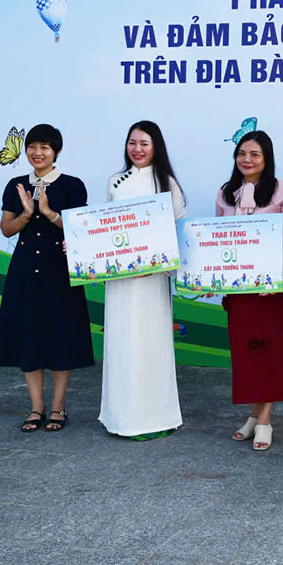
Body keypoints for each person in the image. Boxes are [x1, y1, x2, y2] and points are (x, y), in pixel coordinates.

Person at [0, 124, 93, 432]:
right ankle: (36, 407)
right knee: (29, 336)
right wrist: (25, 214)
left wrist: (49, 212)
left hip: (60, 270)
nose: (37, 153)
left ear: (56, 152)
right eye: (32, 147)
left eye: (45, 148)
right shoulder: (16, 185)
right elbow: (6, 229)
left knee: (61, 338)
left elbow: (80, 229)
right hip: (24, 270)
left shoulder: (72, 185)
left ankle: (58, 407)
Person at [98, 121, 187, 439]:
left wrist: (157, 264)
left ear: (156, 147)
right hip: (120, 281)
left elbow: (177, 232)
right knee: (121, 342)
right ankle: (120, 418)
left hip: (152, 280)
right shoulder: (115, 182)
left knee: (151, 343)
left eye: (144, 143)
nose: (137, 149)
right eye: (132, 142)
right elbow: (106, 227)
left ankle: (157, 417)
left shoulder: (167, 183)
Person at [215, 131, 283, 451]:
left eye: (255, 154)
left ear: (267, 158)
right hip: (240, 289)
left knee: (269, 351)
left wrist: (275, 276)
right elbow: (219, 239)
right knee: (245, 351)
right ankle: (253, 416)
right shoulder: (225, 193)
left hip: (271, 289)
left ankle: (265, 419)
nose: (247, 159)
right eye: (242, 153)